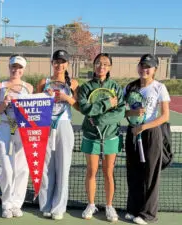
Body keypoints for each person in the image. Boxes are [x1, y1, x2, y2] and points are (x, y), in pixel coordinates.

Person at [77, 53, 125, 222]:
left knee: (108, 173)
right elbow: (85, 108)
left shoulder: (116, 88)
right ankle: (91, 204)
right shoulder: (85, 87)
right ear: (94, 65)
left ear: (110, 67)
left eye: (105, 64)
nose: (101, 66)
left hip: (111, 136)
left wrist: (98, 118)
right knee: (91, 172)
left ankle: (109, 206)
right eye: (98, 63)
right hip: (91, 135)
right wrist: (106, 104)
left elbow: (119, 112)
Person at [124, 54, 170, 225]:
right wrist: (133, 115)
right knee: (133, 173)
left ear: (154, 70)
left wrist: (143, 126)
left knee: (150, 175)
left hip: (151, 133)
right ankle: (133, 209)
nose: (144, 69)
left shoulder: (159, 87)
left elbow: (165, 116)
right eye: (142, 65)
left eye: (148, 66)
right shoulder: (129, 87)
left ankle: (148, 214)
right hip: (133, 132)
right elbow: (123, 112)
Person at [36, 49, 79, 220]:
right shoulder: (43, 82)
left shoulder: (73, 83)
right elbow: (34, 105)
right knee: (45, 167)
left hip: (64, 126)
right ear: (52, 63)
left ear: (67, 64)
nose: (59, 65)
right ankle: (45, 205)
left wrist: (66, 98)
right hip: (45, 126)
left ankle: (59, 207)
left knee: (63, 167)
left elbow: (79, 107)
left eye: (63, 62)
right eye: (56, 61)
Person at [0, 55, 33, 219]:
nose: (16, 70)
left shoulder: (28, 87)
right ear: (9, 67)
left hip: (23, 131)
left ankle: (16, 204)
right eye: (13, 67)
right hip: (5, 128)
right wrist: (4, 104)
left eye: (20, 67)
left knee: (22, 169)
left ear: (23, 69)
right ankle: (6, 204)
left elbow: (34, 112)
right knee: (7, 170)